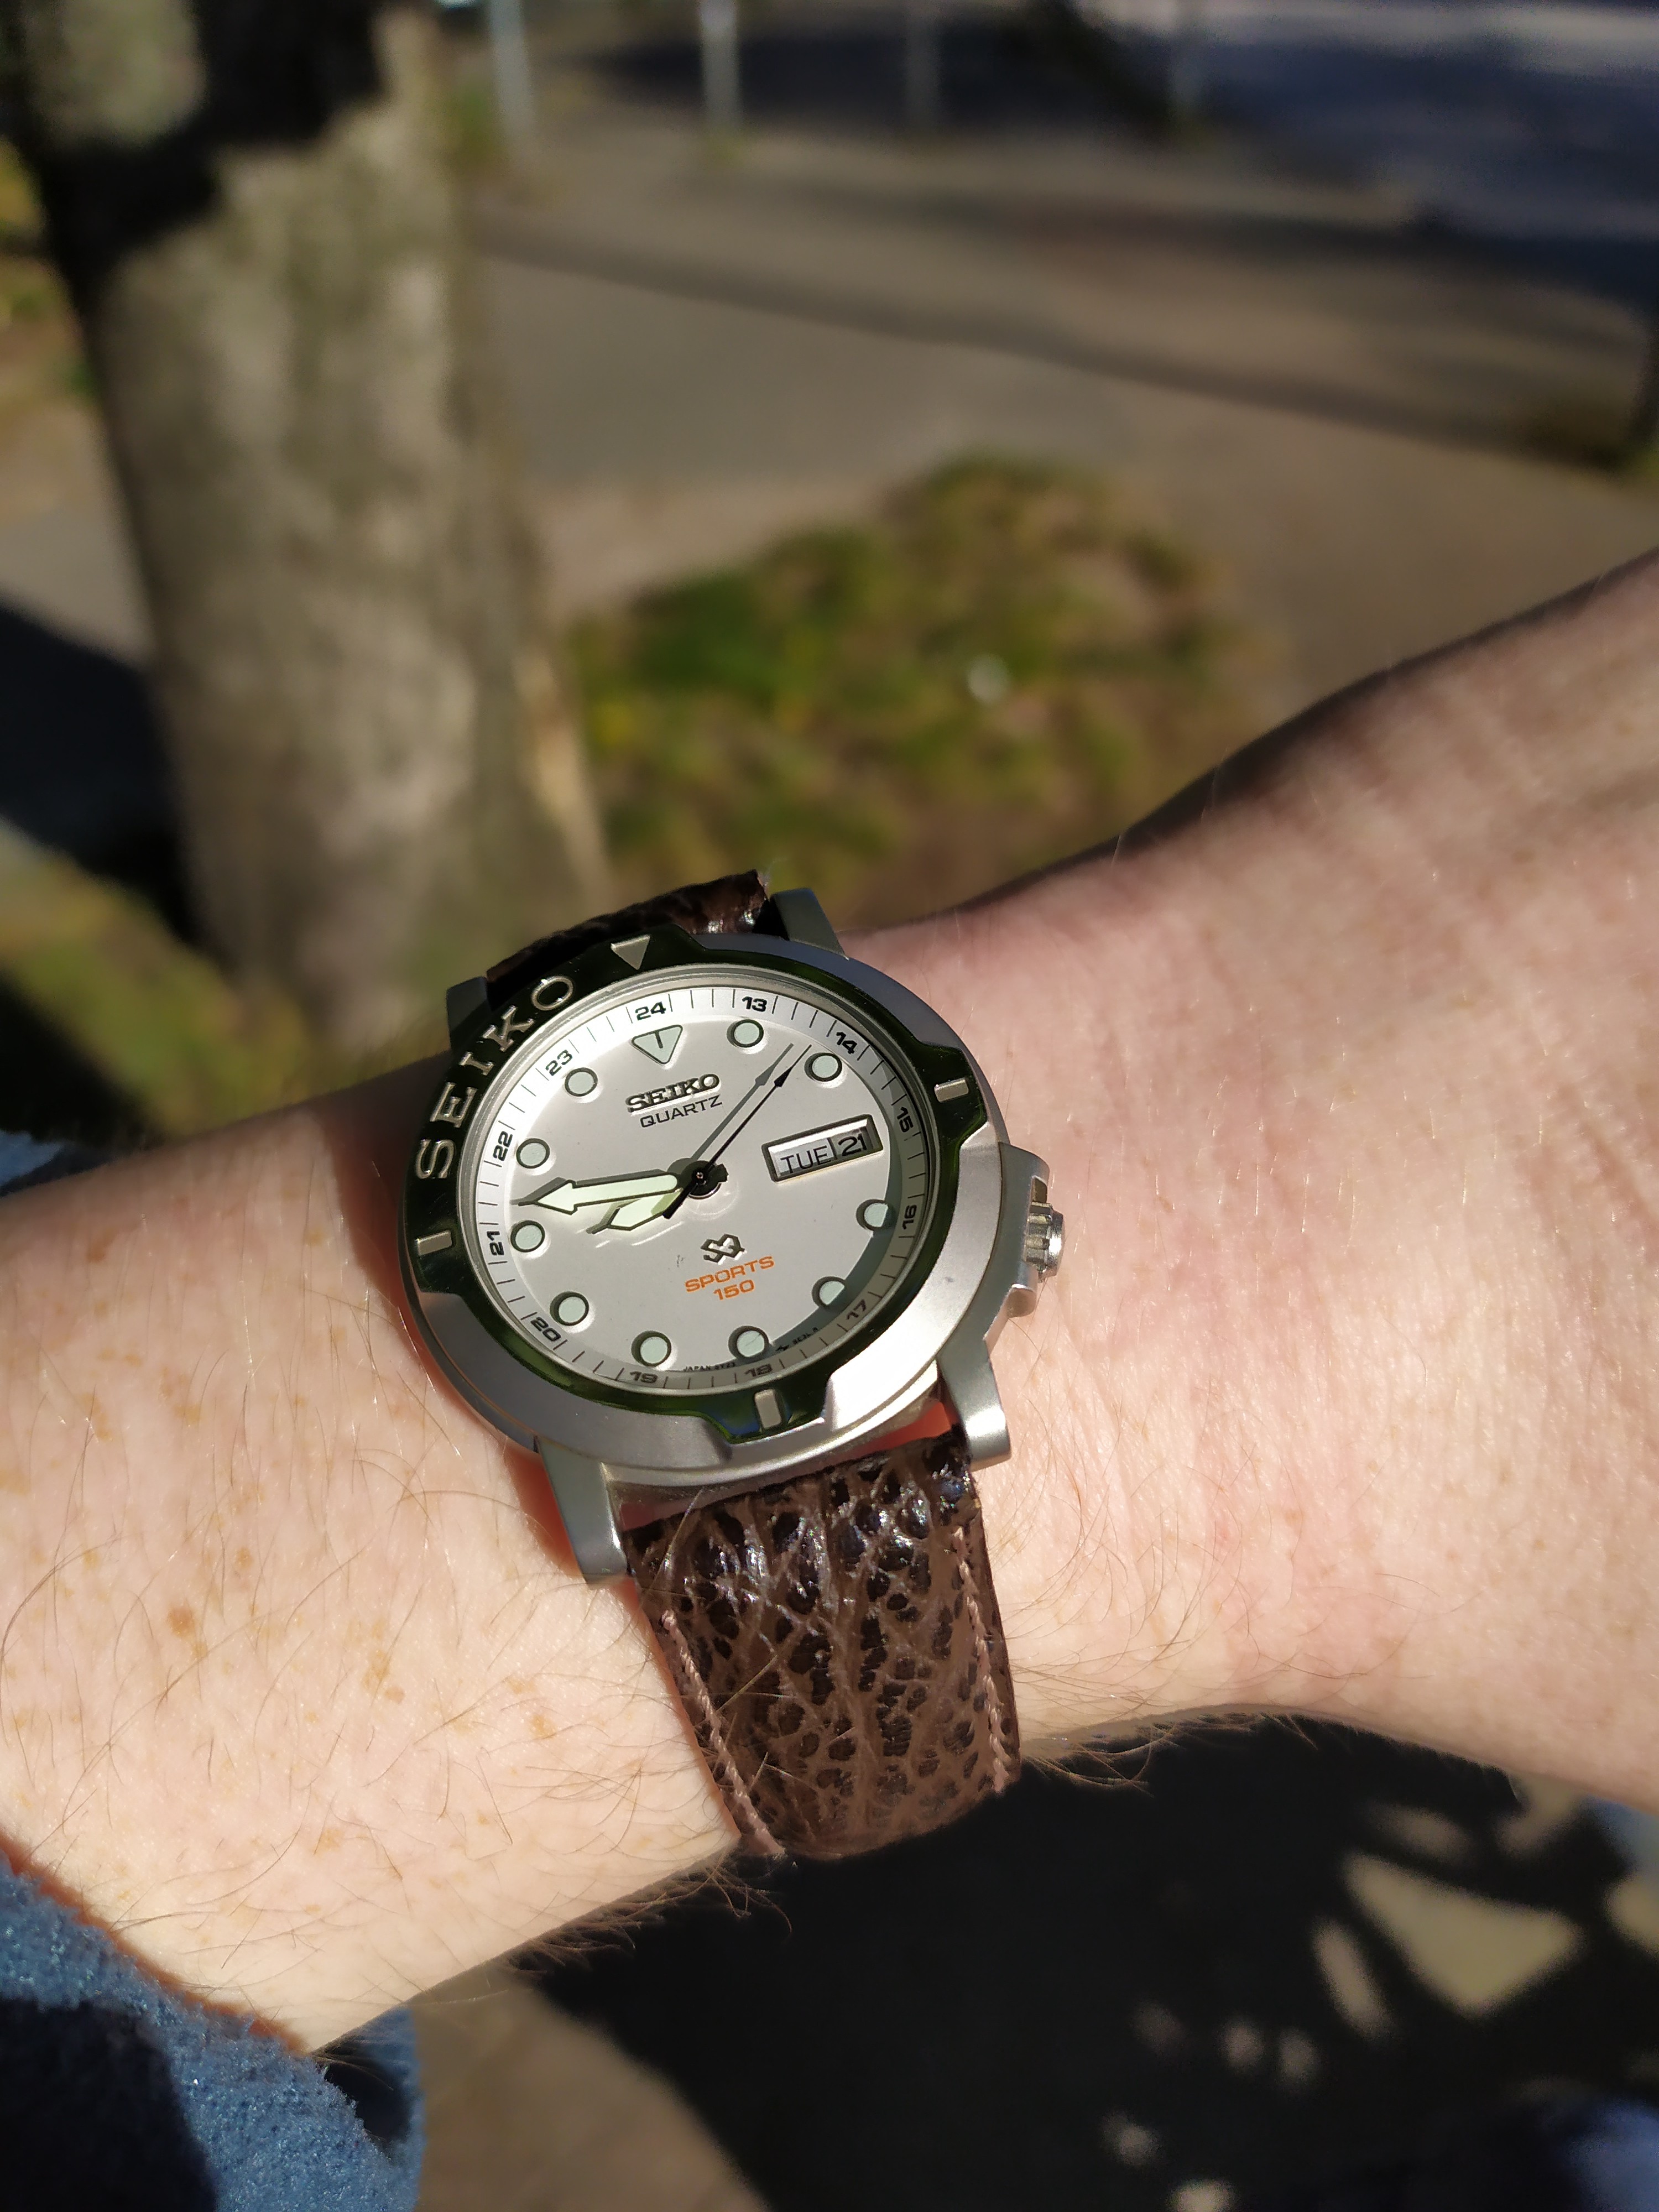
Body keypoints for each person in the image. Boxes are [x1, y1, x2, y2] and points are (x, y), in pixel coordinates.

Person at [2, 548, 1657, 2205]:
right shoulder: (597, 1452)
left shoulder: (919, 1323)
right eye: (672, 1192)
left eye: (717, 1174)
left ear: (1006, 1223)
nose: (698, 1197)